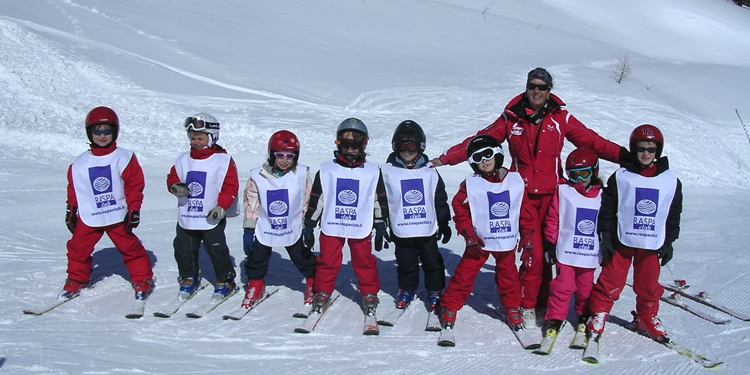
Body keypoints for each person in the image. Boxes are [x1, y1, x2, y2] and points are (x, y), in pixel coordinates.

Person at [430, 67, 628, 329]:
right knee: (532, 254)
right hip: (520, 196)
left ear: (549, 91)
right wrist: (444, 159)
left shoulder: (561, 118)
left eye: (542, 87)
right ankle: (528, 304)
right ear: (526, 87)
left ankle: (549, 301)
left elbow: (592, 141)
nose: (537, 91)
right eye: (533, 86)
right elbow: (479, 141)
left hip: (554, 196)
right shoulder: (511, 119)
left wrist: (627, 157)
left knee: (555, 251)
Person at [586, 124, 682, 342]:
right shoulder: (622, 177)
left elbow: (672, 213)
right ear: (633, 149)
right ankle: (598, 314)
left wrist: (669, 241)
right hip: (623, 239)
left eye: (651, 149)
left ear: (658, 150)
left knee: (648, 283)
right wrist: (606, 236)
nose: (646, 154)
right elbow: (608, 209)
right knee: (610, 280)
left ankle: (646, 317)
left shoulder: (669, 180)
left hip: (651, 242)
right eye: (641, 149)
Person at [439, 135, 532, 332]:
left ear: (497, 155)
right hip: (479, 241)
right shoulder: (471, 184)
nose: (484, 161)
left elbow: (523, 210)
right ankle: (451, 304)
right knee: (465, 273)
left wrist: (527, 234)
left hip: (505, 239)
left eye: (488, 155)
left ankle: (512, 307)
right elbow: (460, 209)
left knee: (508, 274)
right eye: (478, 158)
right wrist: (468, 234)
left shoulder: (514, 181)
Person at [61, 106, 154, 301]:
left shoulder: (123, 158)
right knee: (78, 246)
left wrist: (134, 209)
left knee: (129, 247)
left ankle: (142, 278)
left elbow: (134, 185)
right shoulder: (79, 163)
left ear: (114, 131)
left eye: (107, 131)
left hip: (116, 213)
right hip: (91, 213)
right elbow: (76, 188)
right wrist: (72, 209)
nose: (102, 136)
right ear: (90, 132)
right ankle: (77, 279)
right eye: (97, 131)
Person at [303, 118, 388, 317]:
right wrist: (309, 223)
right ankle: (323, 290)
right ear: (338, 143)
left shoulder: (372, 171)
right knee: (327, 260)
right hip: (333, 223)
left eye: (355, 144)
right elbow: (318, 198)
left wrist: (380, 222)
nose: (351, 149)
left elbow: (378, 199)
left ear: (363, 145)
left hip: (360, 224)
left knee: (364, 260)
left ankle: (369, 293)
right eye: (346, 144)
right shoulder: (327, 170)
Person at [239, 130, 316, 309]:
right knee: (257, 255)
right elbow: (252, 201)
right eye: (279, 155)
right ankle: (256, 284)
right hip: (266, 223)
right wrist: (249, 228)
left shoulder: (301, 175)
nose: (284, 160)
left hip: (292, 224)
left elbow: (307, 199)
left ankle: (313, 281)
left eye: (290, 156)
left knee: (300, 255)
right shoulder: (258, 175)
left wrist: (306, 224)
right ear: (271, 154)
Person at [166, 113, 239, 302]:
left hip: (211, 215)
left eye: (200, 138)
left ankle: (225, 279)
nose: (195, 142)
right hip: (188, 213)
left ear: (212, 137)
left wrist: (222, 206)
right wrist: (175, 187)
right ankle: (188, 277)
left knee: (216, 249)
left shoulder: (222, 160)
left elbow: (230, 186)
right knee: (183, 248)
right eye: (192, 138)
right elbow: (173, 176)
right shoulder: (183, 159)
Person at [380, 120, 451, 312]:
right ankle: (407, 288)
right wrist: (380, 223)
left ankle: (435, 290)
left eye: (411, 145)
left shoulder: (429, 171)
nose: (406, 150)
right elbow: (382, 200)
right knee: (405, 261)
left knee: (432, 260)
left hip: (425, 226)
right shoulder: (387, 171)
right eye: (402, 145)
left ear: (420, 147)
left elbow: (439, 197)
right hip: (401, 227)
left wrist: (444, 221)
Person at [540, 148, 603, 341]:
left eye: (584, 174)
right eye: (573, 176)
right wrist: (550, 243)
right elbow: (553, 218)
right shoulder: (564, 192)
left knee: (585, 287)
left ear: (594, 172)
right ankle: (556, 317)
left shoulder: (603, 196)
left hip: (588, 252)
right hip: (566, 250)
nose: (578, 180)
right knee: (562, 285)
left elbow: (608, 223)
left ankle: (584, 314)